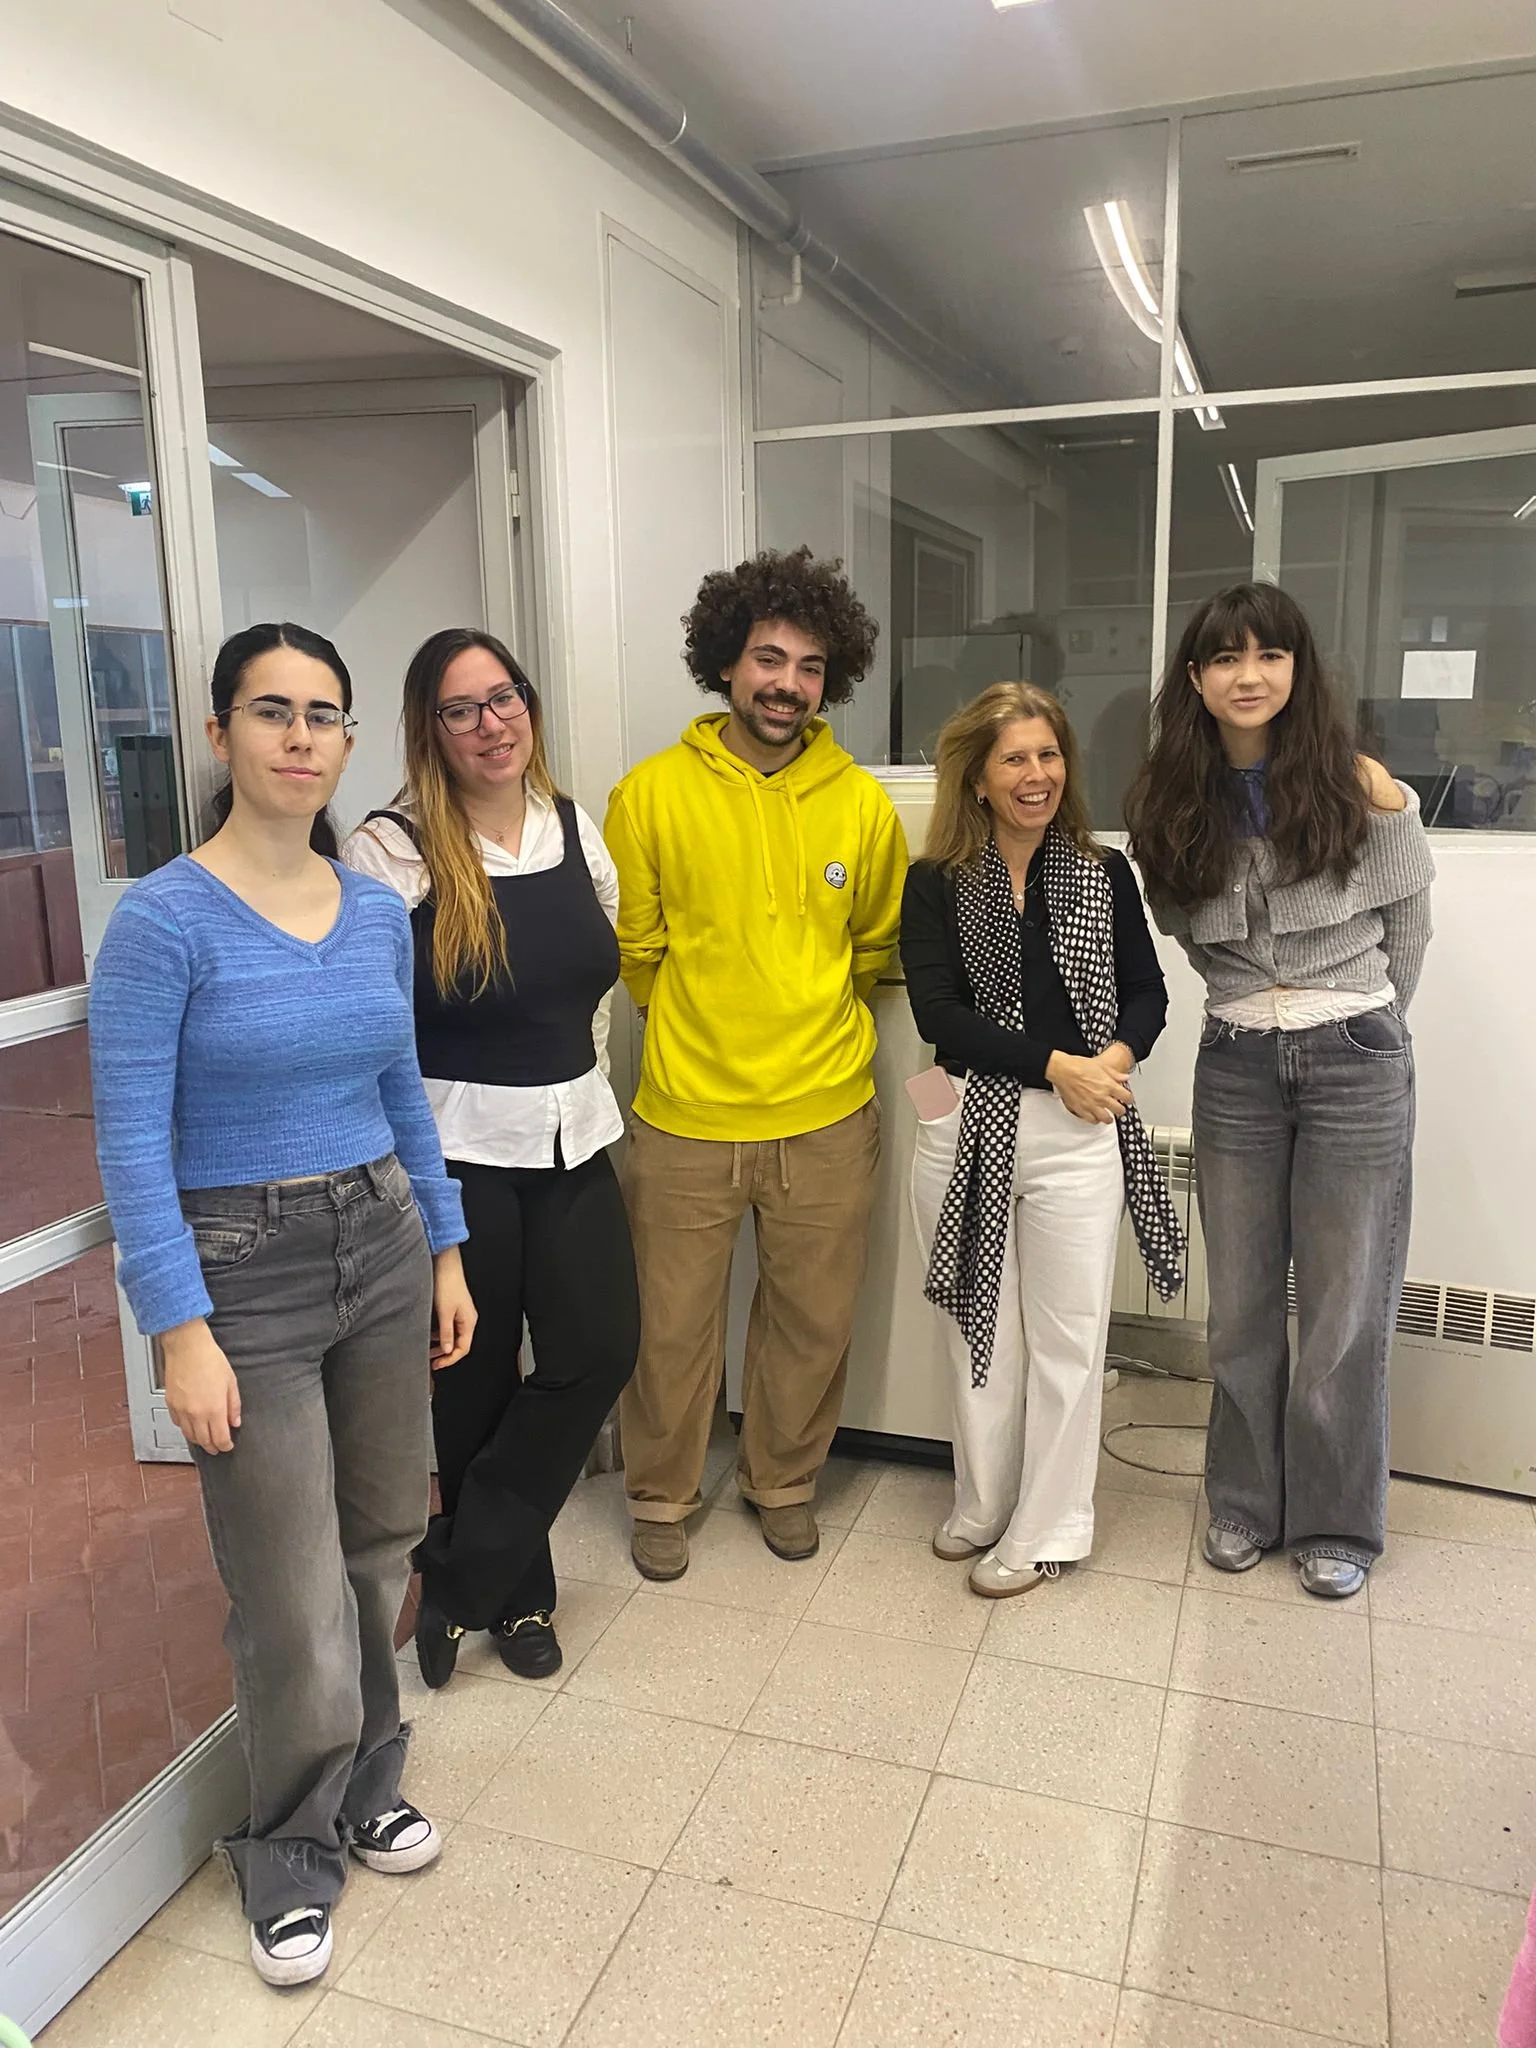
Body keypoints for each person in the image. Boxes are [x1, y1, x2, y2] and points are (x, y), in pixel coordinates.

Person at [87, 623, 474, 1988]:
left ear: (349, 740)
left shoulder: (370, 909)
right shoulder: (163, 921)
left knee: (378, 1540)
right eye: (272, 711)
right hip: (241, 1269)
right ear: (220, 734)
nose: (301, 737)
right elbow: (130, 1143)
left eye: (324, 714)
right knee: (290, 1585)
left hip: (381, 1238)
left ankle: (369, 1780)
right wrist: (177, 1327)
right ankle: (292, 1847)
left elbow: (397, 1086)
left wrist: (445, 1247)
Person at [605, 546, 908, 1581]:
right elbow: (636, 951)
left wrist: (801, 1019)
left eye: (811, 666)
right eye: (769, 659)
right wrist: (705, 1027)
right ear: (727, 662)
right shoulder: (649, 794)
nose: (788, 683)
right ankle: (661, 1493)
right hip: (684, 1117)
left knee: (812, 1322)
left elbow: (872, 946)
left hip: (825, 1114)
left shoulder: (860, 803)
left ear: (833, 678)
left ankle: (782, 1482)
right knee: (668, 1329)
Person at [1126, 582, 1434, 1600]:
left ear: (1297, 668)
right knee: (1242, 1307)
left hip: (1355, 1057)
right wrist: (1260, 1003)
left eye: (1268, 654)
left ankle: (1338, 1518)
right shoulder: (1168, 803)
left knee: (1345, 1307)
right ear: (1196, 678)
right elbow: (1183, 929)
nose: (1247, 675)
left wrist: (1358, 1021)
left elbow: (1409, 927)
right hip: (1237, 1065)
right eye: (1225, 657)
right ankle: (1245, 1501)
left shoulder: (1360, 786)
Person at [344, 629, 638, 1687]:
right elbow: (376, 1029)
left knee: (598, 1350)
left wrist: (584, 1077)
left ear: (528, 703)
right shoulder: (392, 850)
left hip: (575, 1136)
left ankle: (458, 1572)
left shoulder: (573, 824)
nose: (490, 723)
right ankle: (519, 1599)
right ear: (430, 728)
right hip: (456, 1158)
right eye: (461, 708)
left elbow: (593, 977)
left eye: (503, 696)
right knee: (471, 1383)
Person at [903, 683, 1181, 1598]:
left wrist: (1111, 1061)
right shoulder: (935, 881)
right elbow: (942, 1016)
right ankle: (985, 1500)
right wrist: (1061, 1064)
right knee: (972, 1323)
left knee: (1069, 1339)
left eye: (1049, 754)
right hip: (966, 1121)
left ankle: (1049, 1524)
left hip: (1079, 1130)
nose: (1037, 775)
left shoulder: (1104, 872)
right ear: (977, 778)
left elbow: (1148, 992)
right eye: (1014, 758)